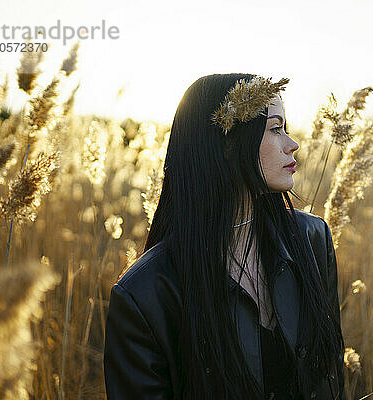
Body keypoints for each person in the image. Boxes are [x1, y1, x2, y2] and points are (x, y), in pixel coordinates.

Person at [103, 73, 346, 400]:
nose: (292, 144)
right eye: (275, 129)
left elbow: (329, 378)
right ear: (228, 143)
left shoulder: (312, 240)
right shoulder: (145, 295)